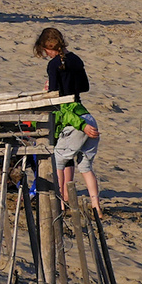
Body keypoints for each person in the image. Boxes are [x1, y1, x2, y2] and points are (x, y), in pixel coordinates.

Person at [34, 27, 102, 216]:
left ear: (47, 47)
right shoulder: (76, 60)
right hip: (82, 109)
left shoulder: (53, 65)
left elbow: (55, 96)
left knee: (57, 159)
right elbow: (85, 86)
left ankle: (60, 202)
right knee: (84, 166)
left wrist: (48, 89)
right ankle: (96, 206)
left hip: (69, 115)